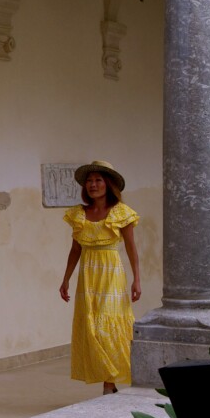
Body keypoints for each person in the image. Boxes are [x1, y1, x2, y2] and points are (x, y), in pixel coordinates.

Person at [60, 160, 141, 394]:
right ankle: (109, 381)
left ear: (109, 184)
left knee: (108, 325)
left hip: (111, 274)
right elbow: (75, 250)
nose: (93, 184)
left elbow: (131, 248)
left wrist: (137, 279)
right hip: (88, 275)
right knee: (92, 326)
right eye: (89, 180)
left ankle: (109, 382)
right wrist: (65, 279)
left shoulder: (120, 213)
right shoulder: (79, 214)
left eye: (98, 180)